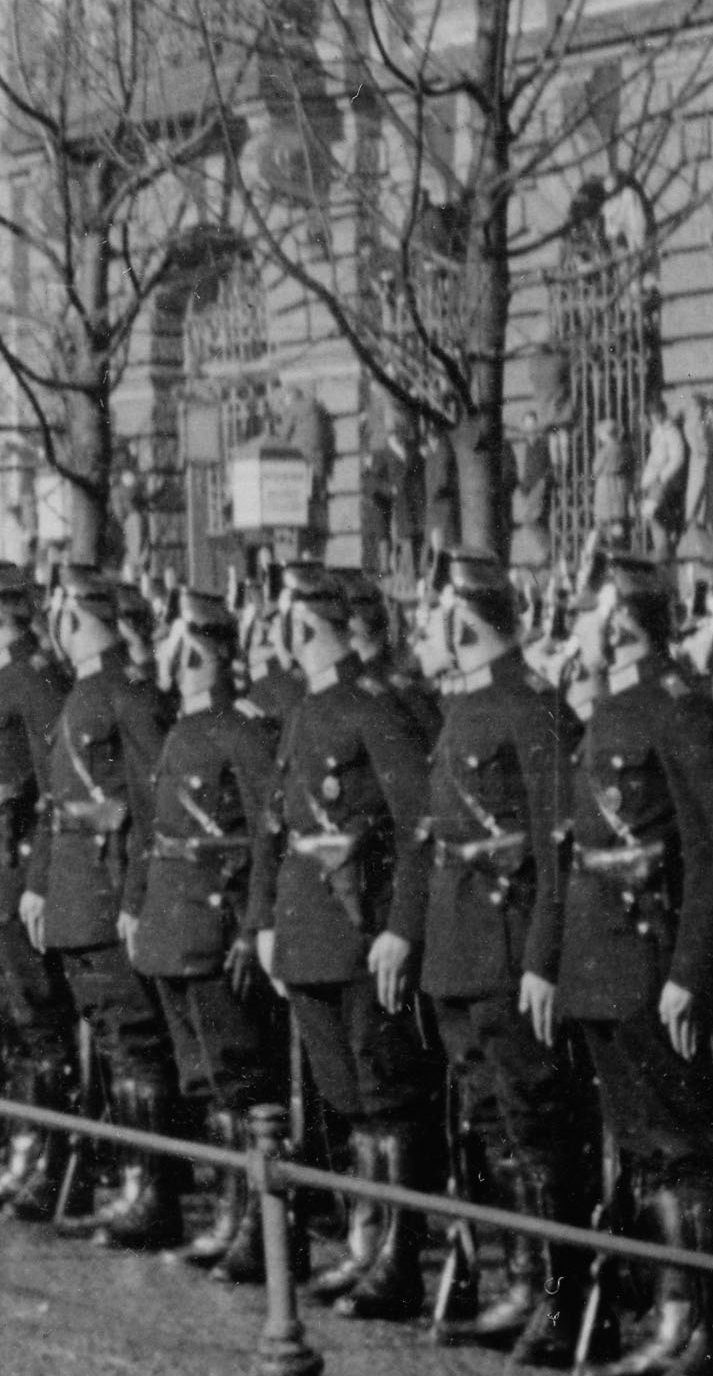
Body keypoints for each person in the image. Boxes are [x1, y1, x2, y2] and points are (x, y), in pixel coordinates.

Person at [544, 551, 713, 1376]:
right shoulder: (612, 705)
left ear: (622, 618)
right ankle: (669, 1321)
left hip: (650, 966)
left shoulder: (676, 708)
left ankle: (702, 1336)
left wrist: (690, 971)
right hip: (602, 964)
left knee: (685, 1152)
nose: (578, 625)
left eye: (589, 610)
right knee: (642, 1152)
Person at [405, 552, 591, 1364]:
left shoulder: (530, 706)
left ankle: (557, 1296)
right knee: (491, 1122)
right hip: (461, 946)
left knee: (535, 1122)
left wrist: (543, 959)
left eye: (437, 613)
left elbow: (557, 848)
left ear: (462, 619)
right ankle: (519, 1280)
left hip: (511, 945)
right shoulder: (465, 705)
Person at [249, 565, 437, 1321]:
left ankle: (395, 1254)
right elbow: (276, 824)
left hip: (363, 933)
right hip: (309, 931)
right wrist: (263, 919)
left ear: (303, 627)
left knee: (384, 1095)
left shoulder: (372, 707)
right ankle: (364, 1243)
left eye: (283, 622)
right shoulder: (304, 709)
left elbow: (417, 827)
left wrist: (401, 927)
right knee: (345, 1099)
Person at [127, 590, 286, 1279]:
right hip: (173, 923)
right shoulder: (179, 729)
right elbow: (154, 831)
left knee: (240, 1077)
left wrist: (254, 927)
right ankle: (228, 1212)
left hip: (216, 927)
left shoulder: (240, 731)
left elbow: (265, 836)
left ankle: (257, 1224)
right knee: (205, 1081)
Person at [27, 567, 185, 1248]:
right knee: (116, 1046)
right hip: (75, 892)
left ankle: (150, 1193)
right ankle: (129, 1183)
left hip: (107, 892)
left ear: (70, 619)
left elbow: (155, 811)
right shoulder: (85, 694)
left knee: (134, 1046)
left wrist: (133, 897)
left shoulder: (125, 695)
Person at [0, 559, 81, 1212]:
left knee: (38, 1027)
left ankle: (49, 1163)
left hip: (11, 882)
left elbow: (57, 792)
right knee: (16, 1026)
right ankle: (24, 1149)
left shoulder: (33, 683)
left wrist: (37, 879)